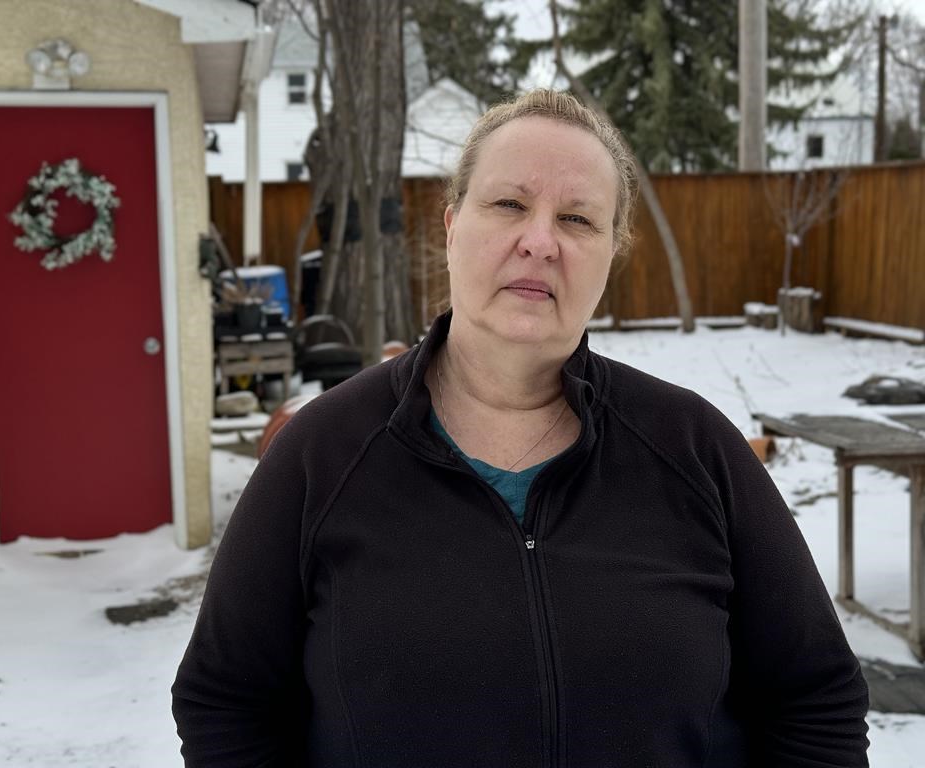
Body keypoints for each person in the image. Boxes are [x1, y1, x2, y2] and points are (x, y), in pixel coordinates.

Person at [172, 89, 869, 767]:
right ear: (451, 227)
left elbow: (814, 698)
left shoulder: (695, 448)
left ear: (610, 254)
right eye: (509, 204)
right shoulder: (321, 456)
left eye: (577, 219)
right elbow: (226, 703)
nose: (540, 241)